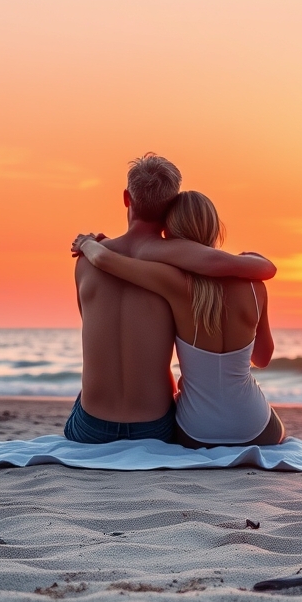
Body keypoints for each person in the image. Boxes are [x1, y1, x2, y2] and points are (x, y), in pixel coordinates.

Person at [64, 155, 276, 444]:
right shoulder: (173, 266)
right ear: (172, 204)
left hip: (92, 427)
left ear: (127, 198)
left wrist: (92, 245)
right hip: (153, 427)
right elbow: (233, 268)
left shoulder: (86, 262)